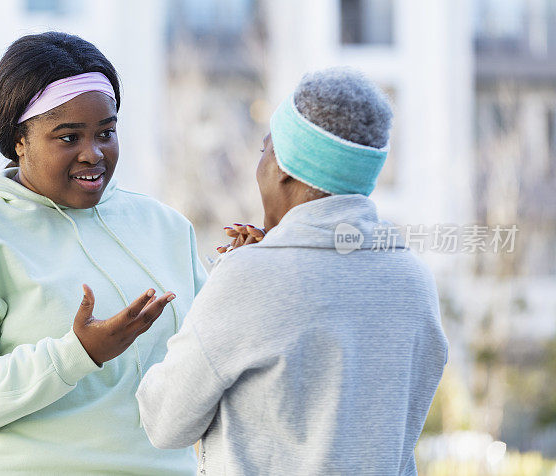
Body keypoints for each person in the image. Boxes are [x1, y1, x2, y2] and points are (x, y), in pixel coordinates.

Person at [0, 32, 207, 475]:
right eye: (68, 138)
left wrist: (252, 276)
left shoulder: (165, 227)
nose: (94, 154)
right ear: (18, 140)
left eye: (106, 132)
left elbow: (208, 362)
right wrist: (76, 354)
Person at [135, 67, 449, 475]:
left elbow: (164, 421)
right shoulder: (414, 279)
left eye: (264, 150)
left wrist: (231, 281)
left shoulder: (250, 278)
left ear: (283, 166)